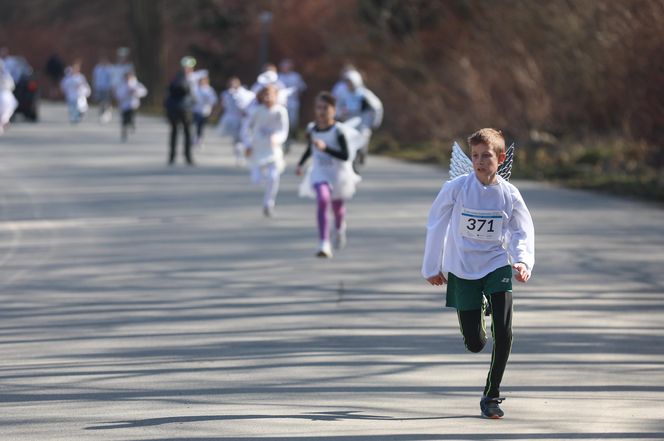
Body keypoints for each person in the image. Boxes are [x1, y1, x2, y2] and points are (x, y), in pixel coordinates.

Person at [421, 128, 535, 419]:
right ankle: (478, 306)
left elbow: (522, 229)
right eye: (475, 156)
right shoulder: (457, 188)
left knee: (505, 331)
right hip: (462, 267)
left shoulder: (509, 194)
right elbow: (436, 224)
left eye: (486, 156)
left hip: (497, 264)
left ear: (500, 158)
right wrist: (432, 266)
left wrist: (522, 261)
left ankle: (491, 395)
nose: (480, 161)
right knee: (474, 343)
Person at [296, 92, 361, 258]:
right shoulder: (312, 129)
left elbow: (345, 156)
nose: (322, 111)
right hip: (319, 172)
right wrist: (300, 164)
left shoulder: (338, 131)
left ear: (333, 110)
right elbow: (310, 149)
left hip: (338, 173)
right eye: (319, 107)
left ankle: (339, 228)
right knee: (323, 200)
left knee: (338, 209)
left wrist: (326, 148)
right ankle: (324, 242)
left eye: (326, 108)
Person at [244, 85, 288, 217]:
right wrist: (248, 144)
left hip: (273, 149)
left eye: (271, 94)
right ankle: (259, 175)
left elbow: (284, 130)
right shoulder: (257, 111)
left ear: (276, 96)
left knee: (273, 177)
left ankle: (268, 203)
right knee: (257, 180)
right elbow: (246, 128)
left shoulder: (281, 111)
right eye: (266, 95)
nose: (268, 98)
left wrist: (277, 138)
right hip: (258, 147)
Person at [335, 69, 383, 172]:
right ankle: (350, 164)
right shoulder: (344, 94)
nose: (349, 84)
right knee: (347, 143)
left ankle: (361, 155)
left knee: (362, 142)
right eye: (347, 82)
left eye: (351, 82)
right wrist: (339, 115)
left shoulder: (364, 94)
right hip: (349, 122)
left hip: (363, 123)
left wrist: (375, 122)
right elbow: (338, 107)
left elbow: (377, 107)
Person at [164, 57, 196, 166]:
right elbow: (190, 94)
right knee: (186, 133)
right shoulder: (188, 79)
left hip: (174, 108)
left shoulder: (175, 78)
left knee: (174, 132)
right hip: (185, 109)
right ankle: (187, 157)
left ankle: (172, 157)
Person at [216, 76, 255, 165]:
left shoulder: (245, 94)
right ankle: (239, 156)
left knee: (244, 137)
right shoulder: (226, 94)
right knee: (236, 139)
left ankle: (245, 154)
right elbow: (223, 106)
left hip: (243, 119)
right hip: (232, 119)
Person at [278, 59, 307, 151]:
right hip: (282, 104)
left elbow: (302, 88)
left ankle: (289, 138)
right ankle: (283, 141)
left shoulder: (296, 77)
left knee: (292, 123)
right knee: (282, 122)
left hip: (293, 103)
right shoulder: (279, 77)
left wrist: (296, 98)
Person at [115, 70, 147, 142]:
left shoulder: (135, 83)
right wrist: (126, 93)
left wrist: (136, 92)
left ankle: (132, 125)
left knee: (131, 116)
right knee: (124, 120)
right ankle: (124, 133)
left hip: (133, 104)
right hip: (124, 105)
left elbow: (143, 91)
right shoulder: (121, 84)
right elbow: (118, 95)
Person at [192, 74, 218, 148]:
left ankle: (199, 139)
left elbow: (213, 100)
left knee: (201, 126)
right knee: (197, 125)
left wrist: (208, 101)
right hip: (196, 110)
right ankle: (196, 138)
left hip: (205, 110)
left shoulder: (209, 89)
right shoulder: (196, 89)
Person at [92, 56, 114, 123]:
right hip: (99, 87)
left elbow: (112, 78)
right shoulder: (97, 68)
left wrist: (112, 87)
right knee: (101, 102)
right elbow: (95, 78)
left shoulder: (110, 68)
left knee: (107, 102)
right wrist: (94, 87)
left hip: (107, 88)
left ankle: (108, 113)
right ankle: (101, 114)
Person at [0, 59, 18, 134]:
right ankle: (3, 122)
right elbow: (12, 86)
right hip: (5, 95)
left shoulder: (5, 75)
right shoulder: (6, 75)